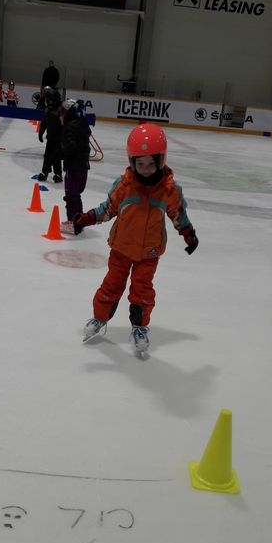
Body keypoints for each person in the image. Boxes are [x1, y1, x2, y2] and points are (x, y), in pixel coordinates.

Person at [73, 123, 199, 353]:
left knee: (142, 291)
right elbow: (108, 209)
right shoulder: (125, 186)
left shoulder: (169, 190)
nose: (146, 170)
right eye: (140, 164)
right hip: (121, 249)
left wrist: (188, 234)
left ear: (161, 160)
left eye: (151, 164)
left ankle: (140, 328)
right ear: (132, 162)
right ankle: (100, 318)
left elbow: (178, 214)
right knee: (111, 285)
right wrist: (86, 218)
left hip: (149, 252)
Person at [59, 98, 91, 232]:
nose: (61, 115)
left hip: (74, 166)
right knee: (76, 194)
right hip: (83, 166)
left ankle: (73, 222)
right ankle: (79, 220)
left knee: (71, 195)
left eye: (63, 112)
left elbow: (70, 147)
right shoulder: (82, 125)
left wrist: (59, 154)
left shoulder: (70, 127)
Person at [37, 87, 63, 183]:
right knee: (47, 155)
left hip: (58, 139)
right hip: (50, 138)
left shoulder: (60, 110)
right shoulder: (48, 110)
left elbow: (65, 125)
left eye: (48, 100)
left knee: (56, 157)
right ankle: (45, 172)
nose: (47, 102)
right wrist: (41, 132)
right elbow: (44, 123)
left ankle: (58, 174)